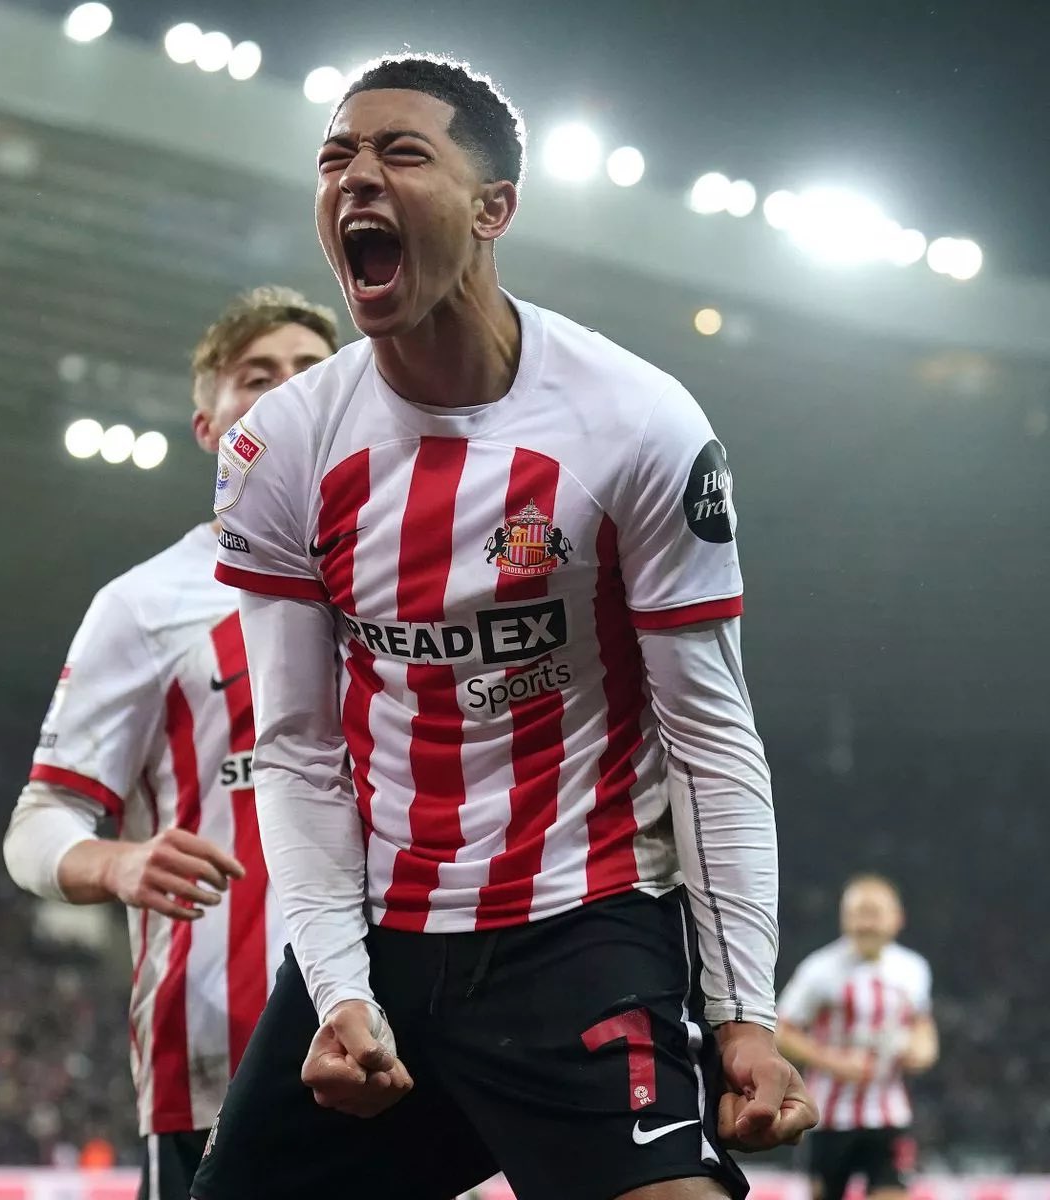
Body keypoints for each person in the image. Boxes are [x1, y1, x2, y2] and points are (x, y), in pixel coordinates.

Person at [192, 54, 817, 1200]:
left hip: (581, 926)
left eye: (401, 152)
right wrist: (337, 990)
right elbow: (297, 749)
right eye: (335, 158)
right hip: (383, 934)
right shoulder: (281, 448)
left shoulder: (638, 424)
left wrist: (745, 1015)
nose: (356, 176)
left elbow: (710, 739)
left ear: (494, 208)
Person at [3, 287, 338, 1200]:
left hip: (410, 1054)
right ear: (208, 425)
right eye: (255, 376)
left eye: (310, 372)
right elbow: (38, 823)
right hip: (220, 1058)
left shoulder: (412, 587)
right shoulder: (144, 605)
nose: (284, 390)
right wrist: (118, 863)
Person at [777, 875, 938, 1200]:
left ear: (897, 918)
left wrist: (922, 1051)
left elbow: (922, 1024)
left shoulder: (913, 969)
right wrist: (833, 1062)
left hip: (889, 1114)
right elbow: (782, 1031)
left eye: (874, 913)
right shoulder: (819, 970)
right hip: (829, 1116)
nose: (865, 923)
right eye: (857, 913)